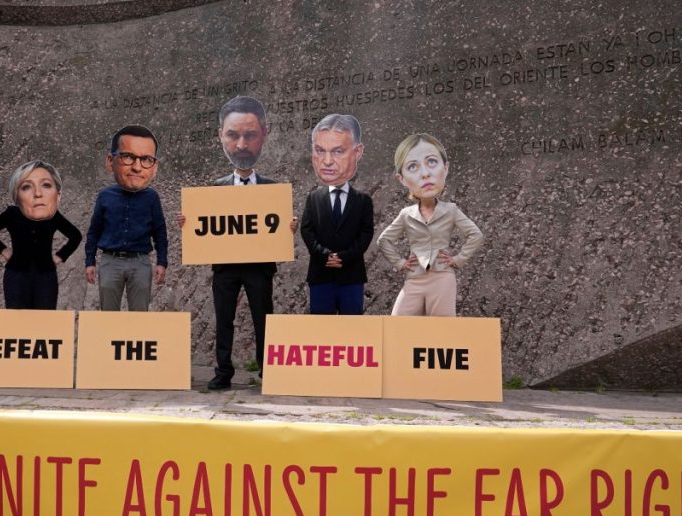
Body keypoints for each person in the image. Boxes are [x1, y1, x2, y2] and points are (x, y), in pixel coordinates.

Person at [179, 96, 296, 390]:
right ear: (221, 136)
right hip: (225, 268)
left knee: (263, 320)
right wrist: (189, 224)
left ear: (264, 135)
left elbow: (277, 230)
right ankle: (223, 372)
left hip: (260, 268)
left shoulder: (272, 190)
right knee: (224, 321)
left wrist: (287, 227)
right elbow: (204, 228)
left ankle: (268, 370)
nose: (241, 145)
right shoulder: (214, 190)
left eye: (250, 135)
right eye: (233, 135)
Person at [377, 133, 483, 316]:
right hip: (414, 279)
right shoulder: (406, 214)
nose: (425, 174)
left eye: (432, 162)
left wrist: (457, 260)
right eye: (412, 166)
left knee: (441, 333)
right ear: (402, 179)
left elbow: (476, 235)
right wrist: (401, 263)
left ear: (446, 168)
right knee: (397, 325)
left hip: (443, 277)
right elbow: (384, 240)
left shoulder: (451, 210)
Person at [85, 125, 168, 311]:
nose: (137, 167)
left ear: (154, 167)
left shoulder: (152, 198)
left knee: (139, 317)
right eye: (128, 157)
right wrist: (89, 261)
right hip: (110, 262)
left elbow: (160, 232)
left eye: (146, 159)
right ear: (110, 160)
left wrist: (162, 262)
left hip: (140, 262)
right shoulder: (105, 196)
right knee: (108, 316)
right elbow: (94, 231)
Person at [0, 160, 82, 310]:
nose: (37, 193)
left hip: (45, 275)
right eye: (26, 187)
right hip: (16, 274)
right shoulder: (12, 214)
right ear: (17, 193)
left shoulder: (52, 215)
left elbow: (75, 236)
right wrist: (4, 251)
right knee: (16, 321)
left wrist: (60, 256)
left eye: (45, 185)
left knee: (45, 322)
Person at [299, 113, 375, 314]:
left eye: (338, 151)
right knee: (321, 335)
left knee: (352, 334)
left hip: (351, 276)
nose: (327, 161)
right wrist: (326, 256)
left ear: (357, 152)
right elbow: (307, 231)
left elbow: (366, 234)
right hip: (320, 275)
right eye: (320, 151)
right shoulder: (313, 198)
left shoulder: (363, 200)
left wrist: (343, 257)